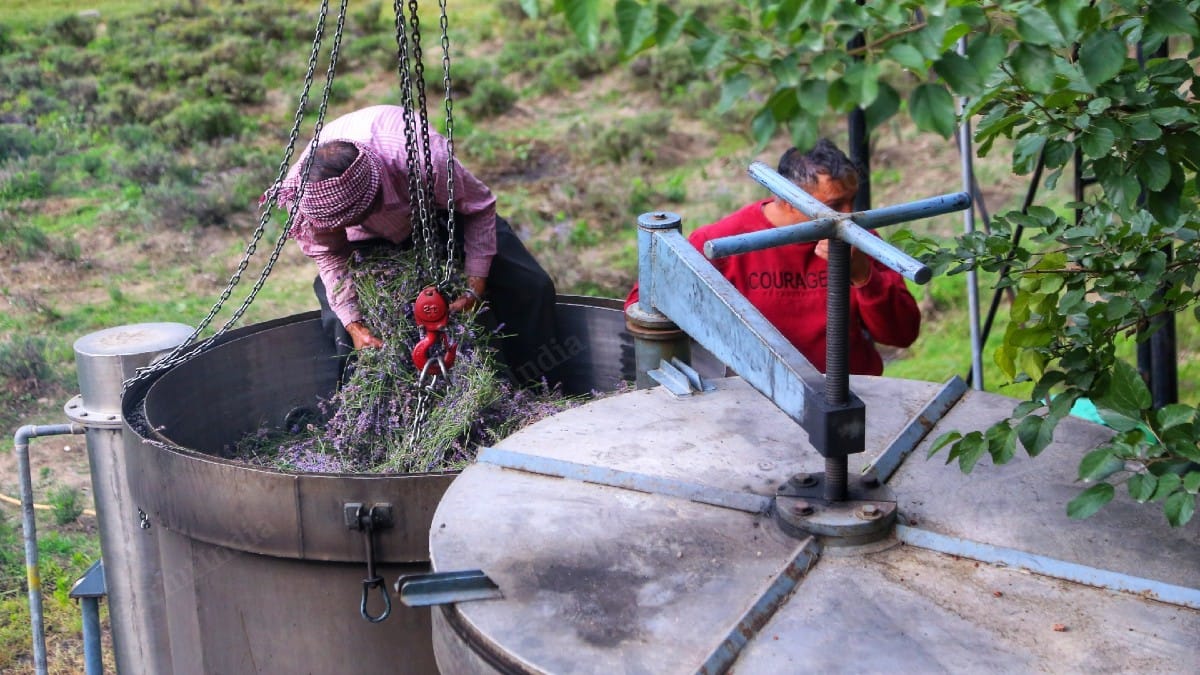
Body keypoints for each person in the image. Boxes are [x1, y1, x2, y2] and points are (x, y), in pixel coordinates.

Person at [269, 104, 559, 386]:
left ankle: (537, 387)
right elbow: (331, 255)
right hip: (364, 241)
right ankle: (359, 415)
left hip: (438, 213)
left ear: (372, 194)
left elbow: (479, 207)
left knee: (530, 286)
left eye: (346, 219)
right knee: (340, 321)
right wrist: (354, 324)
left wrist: (476, 281)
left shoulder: (425, 159)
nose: (334, 227)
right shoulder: (304, 196)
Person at [625, 139, 920, 375]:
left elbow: (902, 333)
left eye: (852, 200)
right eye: (835, 204)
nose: (849, 214)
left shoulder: (855, 239)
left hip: (851, 393)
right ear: (790, 200)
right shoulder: (723, 243)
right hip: (755, 404)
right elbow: (645, 305)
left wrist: (862, 276)